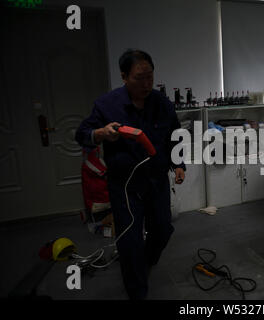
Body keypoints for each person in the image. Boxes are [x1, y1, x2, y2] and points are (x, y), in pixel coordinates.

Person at [75, 49, 185, 299]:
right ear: (124, 77)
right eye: (139, 78)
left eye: (150, 76)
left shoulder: (162, 103)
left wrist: (179, 164)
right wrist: (101, 133)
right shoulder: (106, 104)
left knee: (163, 229)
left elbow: (176, 137)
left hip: (156, 181)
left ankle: (144, 262)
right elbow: (82, 134)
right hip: (125, 185)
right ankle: (136, 290)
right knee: (129, 239)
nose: (147, 84)